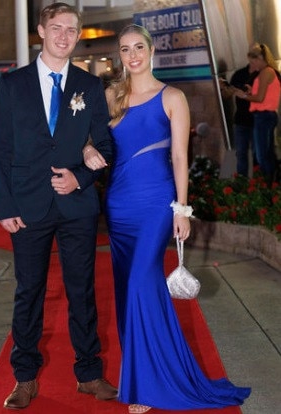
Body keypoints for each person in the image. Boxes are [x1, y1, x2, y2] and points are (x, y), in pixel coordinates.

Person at [83, 24, 251, 414]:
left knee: (143, 283)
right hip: (119, 206)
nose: (132, 55)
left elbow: (179, 157)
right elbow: (88, 138)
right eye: (124, 49)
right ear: (120, 56)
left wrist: (182, 209)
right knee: (127, 292)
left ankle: (145, 386)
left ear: (151, 49)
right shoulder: (111, 96)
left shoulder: (172, 97)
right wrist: (88, 147)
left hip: (156, 204)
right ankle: (143, 372)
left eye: (138, 47)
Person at [0, 3, 116, 410]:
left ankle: (89, 373)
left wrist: (80, 176)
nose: (64, 35)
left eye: (72, 29)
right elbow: (1, 150)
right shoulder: (12, 84)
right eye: (56, 27)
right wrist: (5, 205)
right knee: (29, 293)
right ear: (41, 31)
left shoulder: (89, 86)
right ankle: (24, 377)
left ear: (78, 36)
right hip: (27, 206)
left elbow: (107, 144)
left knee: (82, 291)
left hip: (76, 205)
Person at [235, 42, 281, 185]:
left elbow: (260, 98)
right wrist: (250, 91)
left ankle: (269, 185)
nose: (252, 65)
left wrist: (242, 95)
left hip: (264, 116)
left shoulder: (266, 72)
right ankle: (271, 183)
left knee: (262, 156)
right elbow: (262, 95)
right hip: (264, 116)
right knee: (266, 153)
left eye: (253, 61)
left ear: (260, 58)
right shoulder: (266, 72)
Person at [219, 61, 258, 177]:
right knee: (241, 153)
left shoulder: (265, 74)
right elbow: (227, 95)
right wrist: (223, 89)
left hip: (258, 120)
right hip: (241, 120)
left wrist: (248, 94)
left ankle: (260, 182)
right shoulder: (239, 74)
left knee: (259, 154)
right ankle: (242, 181)